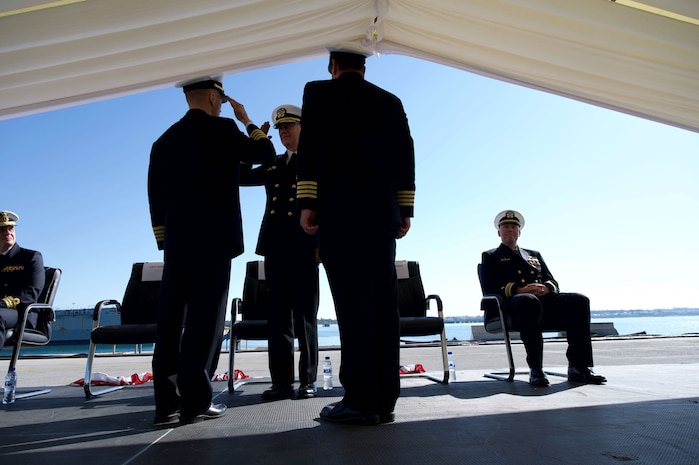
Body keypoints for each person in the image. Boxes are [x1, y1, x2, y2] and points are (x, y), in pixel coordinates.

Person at [296, 43, 415, 425]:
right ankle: (386, 398)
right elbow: (405, 155)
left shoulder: (318, 93)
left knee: (351, 308)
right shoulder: (390, 100)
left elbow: (310, 150)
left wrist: (308, 203)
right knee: (383, 306)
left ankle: (361, 400)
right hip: (381, 217)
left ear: (332, 65)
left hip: (340, 215)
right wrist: (405, 209)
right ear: (363, 67)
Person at [148, 75, 276, 426]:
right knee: (205, 324)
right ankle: (194, 403)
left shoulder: (164, 142)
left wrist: (165, 241)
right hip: (214, 243)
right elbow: (265, 154)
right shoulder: (223, 131)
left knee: (171, 323)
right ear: (213, 99)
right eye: (220, 100)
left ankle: (165, 405)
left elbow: (155, 199)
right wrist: (248, 122)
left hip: (177, 245)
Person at [239, 104, 320, 401]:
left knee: (305, 318)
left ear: (303, 128)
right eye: (280, 128)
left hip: (304, 247)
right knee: (278, 319)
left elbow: (328, 206)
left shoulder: (315, 162)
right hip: (274, 247)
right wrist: (253, 143)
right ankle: (282, 382)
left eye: (289, 126)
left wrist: (320, 245)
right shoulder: (272, 164)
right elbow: (239, 176)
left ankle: (307, 381)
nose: (284, 131)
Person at [480, 210, 607, 387]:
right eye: (506, 227)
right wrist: (520, 289)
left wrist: (547, 287)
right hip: (513, 304)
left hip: (543, 300)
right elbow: (490, 287)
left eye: (514, 227)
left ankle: (579, 367)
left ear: (519, 232)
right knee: (528, 302)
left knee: (579, 301)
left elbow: (552, 280)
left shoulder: (533, 255)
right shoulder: (491, 256)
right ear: (499, 232)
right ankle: (536, 369)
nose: (510, 230)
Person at [0, 211, 45, 349]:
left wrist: (3, 303)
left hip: (22, 313)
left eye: (11, 228)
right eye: (2, 229)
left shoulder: (31, 257)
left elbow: (31, 293)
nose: (8, 232)